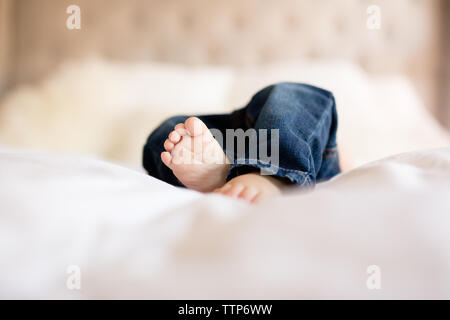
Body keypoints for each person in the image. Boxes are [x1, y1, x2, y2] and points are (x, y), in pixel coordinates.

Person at [143, 82, 340, 203]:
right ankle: (227, 172)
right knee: (173, 130)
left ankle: (270, 173)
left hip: (294, 149)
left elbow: (341, 159)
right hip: (226, 146)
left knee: (292, 94)